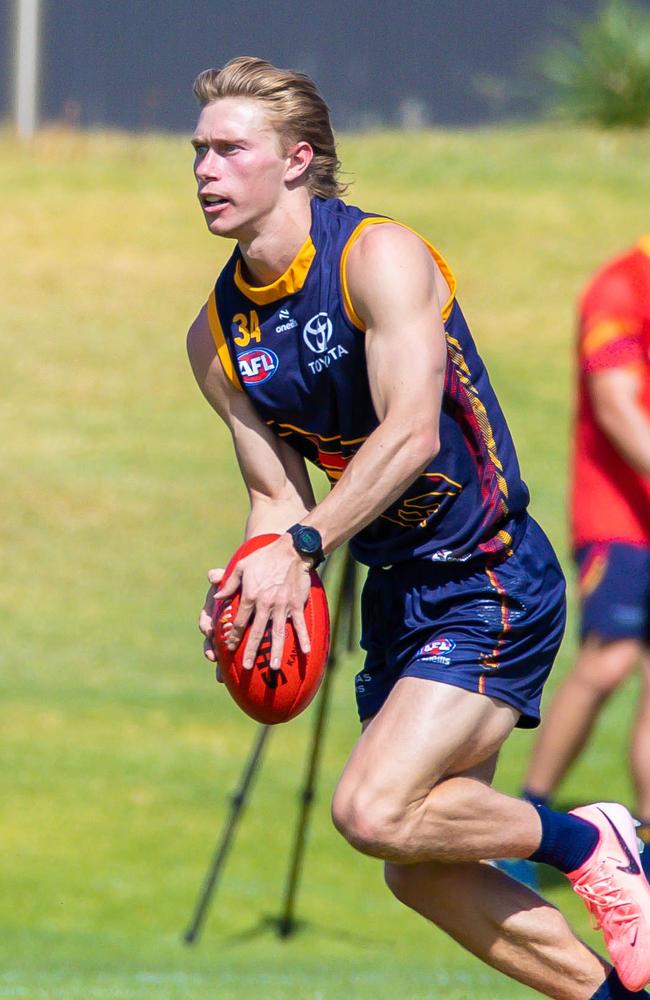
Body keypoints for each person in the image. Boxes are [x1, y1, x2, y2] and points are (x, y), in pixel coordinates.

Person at [187, 57, 650, 998]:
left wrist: (307, 549)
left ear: (296, 161)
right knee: (421, 865)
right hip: (401, 598)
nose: (205, 170)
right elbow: (274, 497)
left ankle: (588, 836)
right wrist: (252, 581)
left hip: (487, 577)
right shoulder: (217, 335)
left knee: (370, 808)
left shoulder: (377, 257)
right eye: (198, 151)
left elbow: (408, 431)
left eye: (231, 150)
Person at [521, 238, 650, 873]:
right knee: (610, 661)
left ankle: (647, 849)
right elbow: (617, 407)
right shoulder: (621, 286)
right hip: (620, 517)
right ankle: (529, 820)